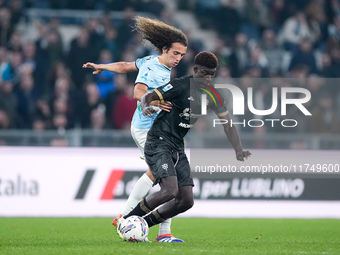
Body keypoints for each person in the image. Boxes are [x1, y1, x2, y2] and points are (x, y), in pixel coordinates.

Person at [118, 51, 251, 238]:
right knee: (169, 191)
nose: (209, 78)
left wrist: (238, 150)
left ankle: (143, 224)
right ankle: (126, 221)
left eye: (212, 74)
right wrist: (147, 104)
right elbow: (149, 96)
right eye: (205, 73)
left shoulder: (214, 95)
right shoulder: (179, 85)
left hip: (177, 146)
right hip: (158, 142)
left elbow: (228, 124)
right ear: (195, 70)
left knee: (186, 201)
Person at [82, 16, 188, 242]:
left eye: (182, 55)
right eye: (175, 53)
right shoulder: (153, 67)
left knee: (163, 176)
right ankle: (131, 219)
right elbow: (138, 93)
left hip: (160, 130)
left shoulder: (153, 62)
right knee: (165, 179)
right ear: (165, 49)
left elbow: (124, 66)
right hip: (146, 130)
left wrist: (102, 67)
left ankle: (158, 230)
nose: (178, 58)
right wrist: (158, 103)